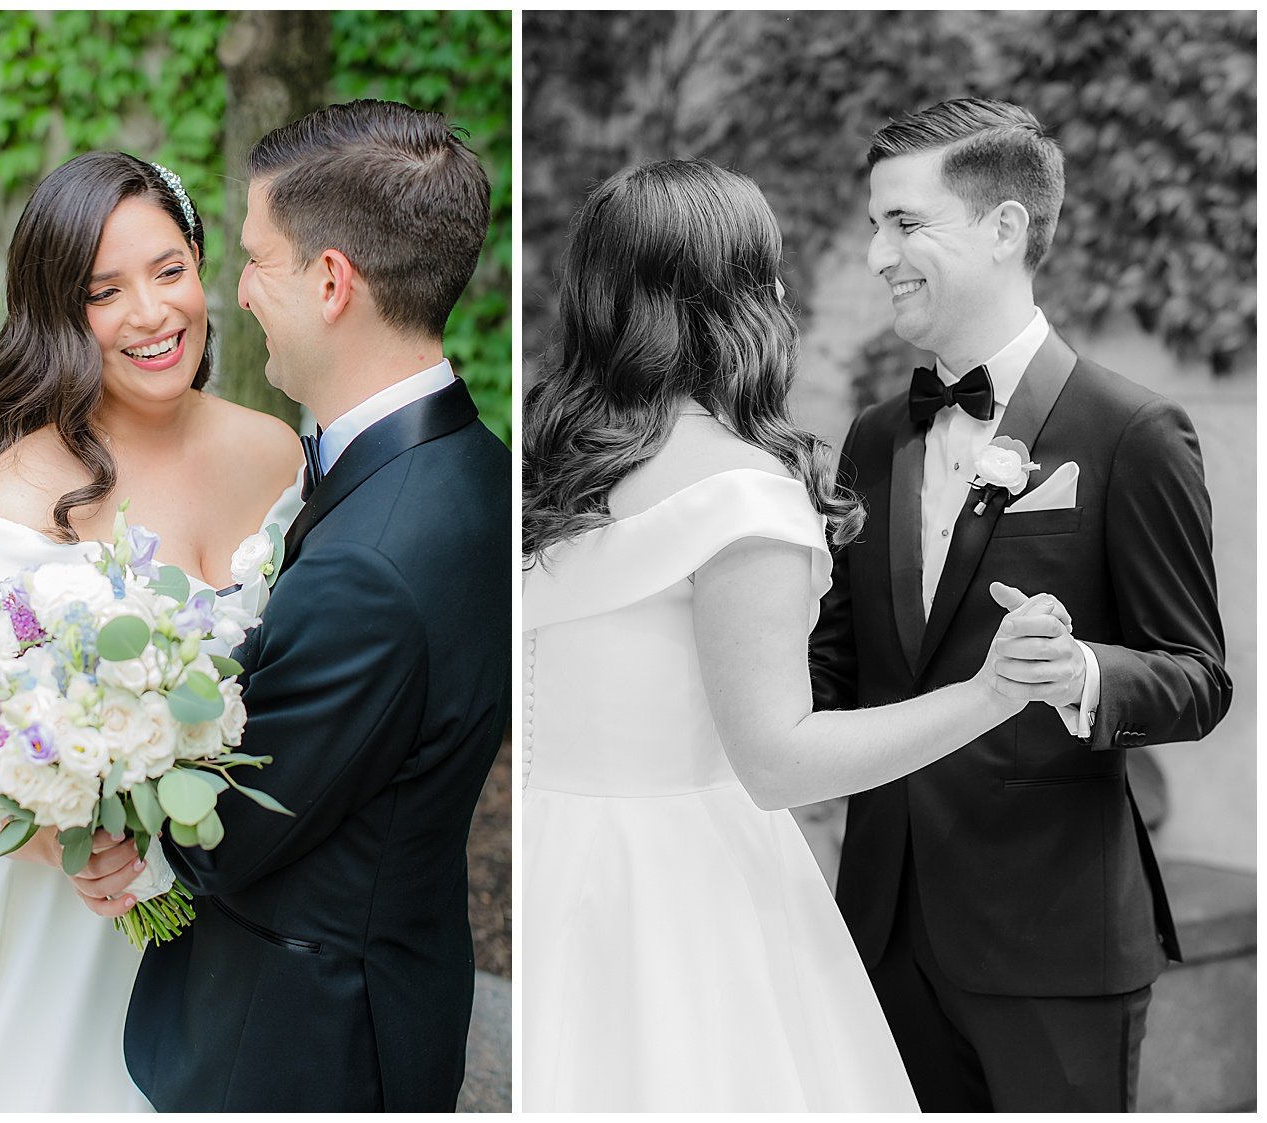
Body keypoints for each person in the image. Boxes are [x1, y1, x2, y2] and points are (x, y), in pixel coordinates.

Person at [520, 158, 1074, 1112]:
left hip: (552, 855)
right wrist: (989, 692)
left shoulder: (550, 468)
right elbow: (776, 761)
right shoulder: (743, 496)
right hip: (678, 895)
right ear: (745, 294)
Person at [64, 101, 510, 1111]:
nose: (238, 291)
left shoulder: (376, 562)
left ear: (331, 281)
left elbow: (226, 832)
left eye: (256, 259)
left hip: (300, 1044)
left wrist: (85, 775)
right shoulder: (470, 468)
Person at [0, 151, 303, 1112]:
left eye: (169, 269)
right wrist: (70, 847)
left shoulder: (276, 453)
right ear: (61, 314)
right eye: (105, 291)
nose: (152, 313)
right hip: (58, 938)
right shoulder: (6, 502)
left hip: (248, 924)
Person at [810, 97, 1231, 1112]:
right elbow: (838, 666)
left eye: (905, 224)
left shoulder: (1134, 431)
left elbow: (1197, 675)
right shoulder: (873, 437)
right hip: (881, 932)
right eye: (875, 224)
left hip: (1056, 951)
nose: (878, 254)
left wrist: (1082, 671)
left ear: (1005, 229)